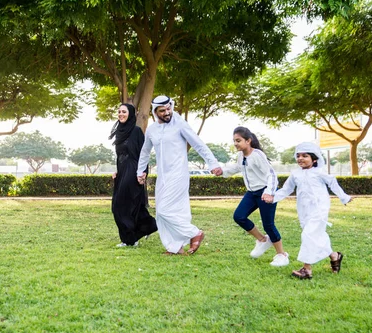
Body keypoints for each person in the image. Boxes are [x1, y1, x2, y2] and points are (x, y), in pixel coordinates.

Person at [136, 95, 223, 255]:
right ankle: (175, 247)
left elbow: (198, 144)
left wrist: (213, 163)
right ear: (155, 112)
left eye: (169, 108)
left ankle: (194, 233)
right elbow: (145, 151)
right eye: (162, 111)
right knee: (165, 214)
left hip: (179, 174)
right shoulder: (152, 129)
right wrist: (140, 171)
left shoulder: (180, 124)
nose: (167, 112)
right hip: (162, 176)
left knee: (164, 211)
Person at [263, 142, 352, 279]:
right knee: (317, 236)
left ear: (314, 159)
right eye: (298, 156)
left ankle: (306, 269)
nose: (300, 158)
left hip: (319, 209)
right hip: (303, 210)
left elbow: (333, 183)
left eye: (305, 156)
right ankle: (334, 256)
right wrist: (273, 198)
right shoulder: (295, 174)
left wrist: (344, 198)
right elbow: (287, 189)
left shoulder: (320, 172)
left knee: (308, 235)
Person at [219, 127, 289, 266]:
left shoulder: (257, 155)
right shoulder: (241, 156)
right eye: (234, 141)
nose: (236, 144)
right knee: (239, 216)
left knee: (268, 225)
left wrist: (269, 192)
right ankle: (262, 240)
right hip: (252, 193)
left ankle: (282, 254)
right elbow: (237, 168)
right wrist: (221, 171)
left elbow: (271, 175)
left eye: (238, 140)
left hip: (265, 192)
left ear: (248, 140)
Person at [110, 103, 158, 247]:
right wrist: (117, 170)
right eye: (119, 112)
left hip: (133, 170)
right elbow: (120, 155)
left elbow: (143, 154)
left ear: (130, 113)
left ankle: (130, 239)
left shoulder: (136, 131)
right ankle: (148, 226)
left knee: (122, 205)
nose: (121, 114)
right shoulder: (119, 131)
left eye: (124, 111)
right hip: (122, 171)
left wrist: (143, 173)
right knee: (128, 205)